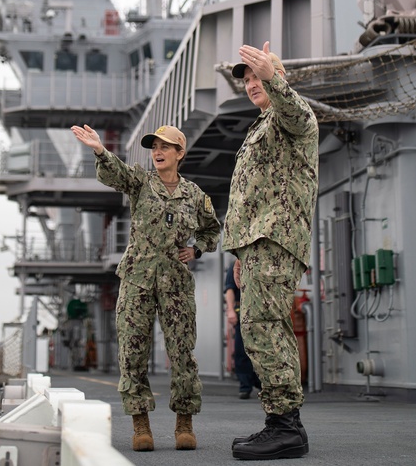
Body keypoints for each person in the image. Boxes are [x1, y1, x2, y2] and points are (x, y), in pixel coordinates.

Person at [70, 123, 221, 452]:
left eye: (166, 147)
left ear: (180, 153)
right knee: (132, 354)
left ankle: (184, 422)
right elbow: (116, 174)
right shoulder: (140, 181)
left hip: (175, 283)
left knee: (182, 354)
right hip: (137, 278)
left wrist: (196, 249)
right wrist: (99, 149)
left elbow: (212, 229)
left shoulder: (194, 195)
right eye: (154, 147)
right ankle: (141, 425)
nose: (158, 152)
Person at [222, 42, 318, 460]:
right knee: (258, 327)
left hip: (277, 239)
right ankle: (280, 422)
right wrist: (240, 254)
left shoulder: (292, 118)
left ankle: (285, 426)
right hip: (258, 243)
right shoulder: (260, 127)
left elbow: (295, 113)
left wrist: (274, 79)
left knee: (265, 325)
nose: (250, 84)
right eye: (245, 80)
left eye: (256, 76)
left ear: (277, 79)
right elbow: (249, 197)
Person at [224, 261, 262, 399]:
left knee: (261, 351)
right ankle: (245, 386)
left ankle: (261, 383)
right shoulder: (236, 263)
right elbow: (229, 289)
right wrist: (230, 311)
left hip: (261, 311)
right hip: (244, 311)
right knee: (242, 350)